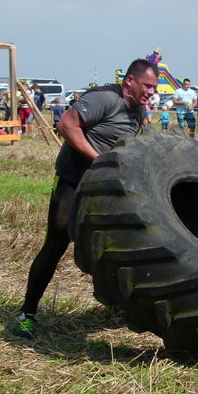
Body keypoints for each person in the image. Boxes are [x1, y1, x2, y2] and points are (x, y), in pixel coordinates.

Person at [15, 59, 159, 339]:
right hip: (72, 182)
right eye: (148, 86)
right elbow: (67, 126)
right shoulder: (104, 98)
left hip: (104, 188)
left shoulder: (139, 110)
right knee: (55, 246)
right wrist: (99, 161)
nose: (151, 92)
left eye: (154, 88)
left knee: (116, 249)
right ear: (130, 80)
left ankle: (119, 305)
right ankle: (27, 313)